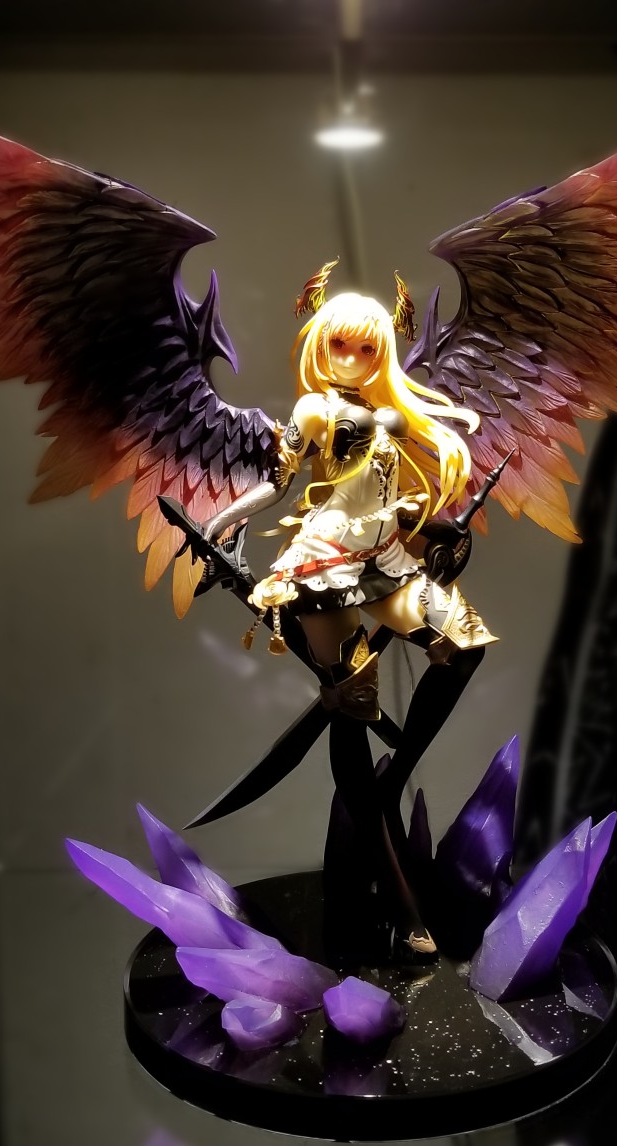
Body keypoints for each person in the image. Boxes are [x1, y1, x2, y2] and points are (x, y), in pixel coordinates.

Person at [201, 290, 497, 960]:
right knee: (354, 710)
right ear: (320, 344)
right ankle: (404, 905)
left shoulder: (386, 412)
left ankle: (391, 783)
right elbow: (277, 483)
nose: (353, 357)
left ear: (382, 352)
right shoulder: (314, 409)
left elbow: (385, 497)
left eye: (368, 347)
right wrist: (220, 523)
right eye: (341, 343)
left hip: (386, 558)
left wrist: (437, 528)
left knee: (463, 645)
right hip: (327, 566)